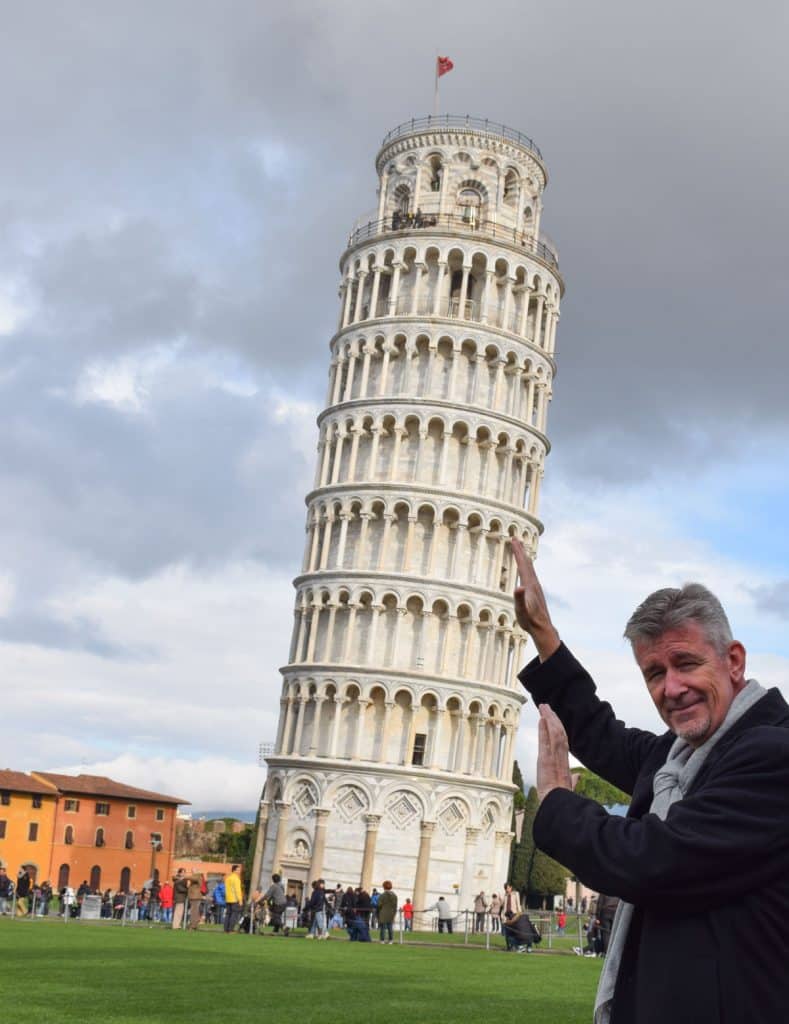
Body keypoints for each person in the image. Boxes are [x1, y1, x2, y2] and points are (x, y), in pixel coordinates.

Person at [510, 536, 789, 1024]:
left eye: (686, 664)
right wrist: (545, 636)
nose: (672, 689)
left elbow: (653, 860)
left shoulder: (772, 756)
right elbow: (602, 735)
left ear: (735, 661)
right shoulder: (679, 755)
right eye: (654, 673)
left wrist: (556, 803)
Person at [223, 864, 243, 933]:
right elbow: (237, 890)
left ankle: (226, 929)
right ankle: (231, 929)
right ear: (234, 870)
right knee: (234, 915)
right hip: (234, 899)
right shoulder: (236, 879)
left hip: (228, 898)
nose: (240, 871)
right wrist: (240, 900)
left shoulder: (228, 878)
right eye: (238, 870)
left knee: (228, 914)